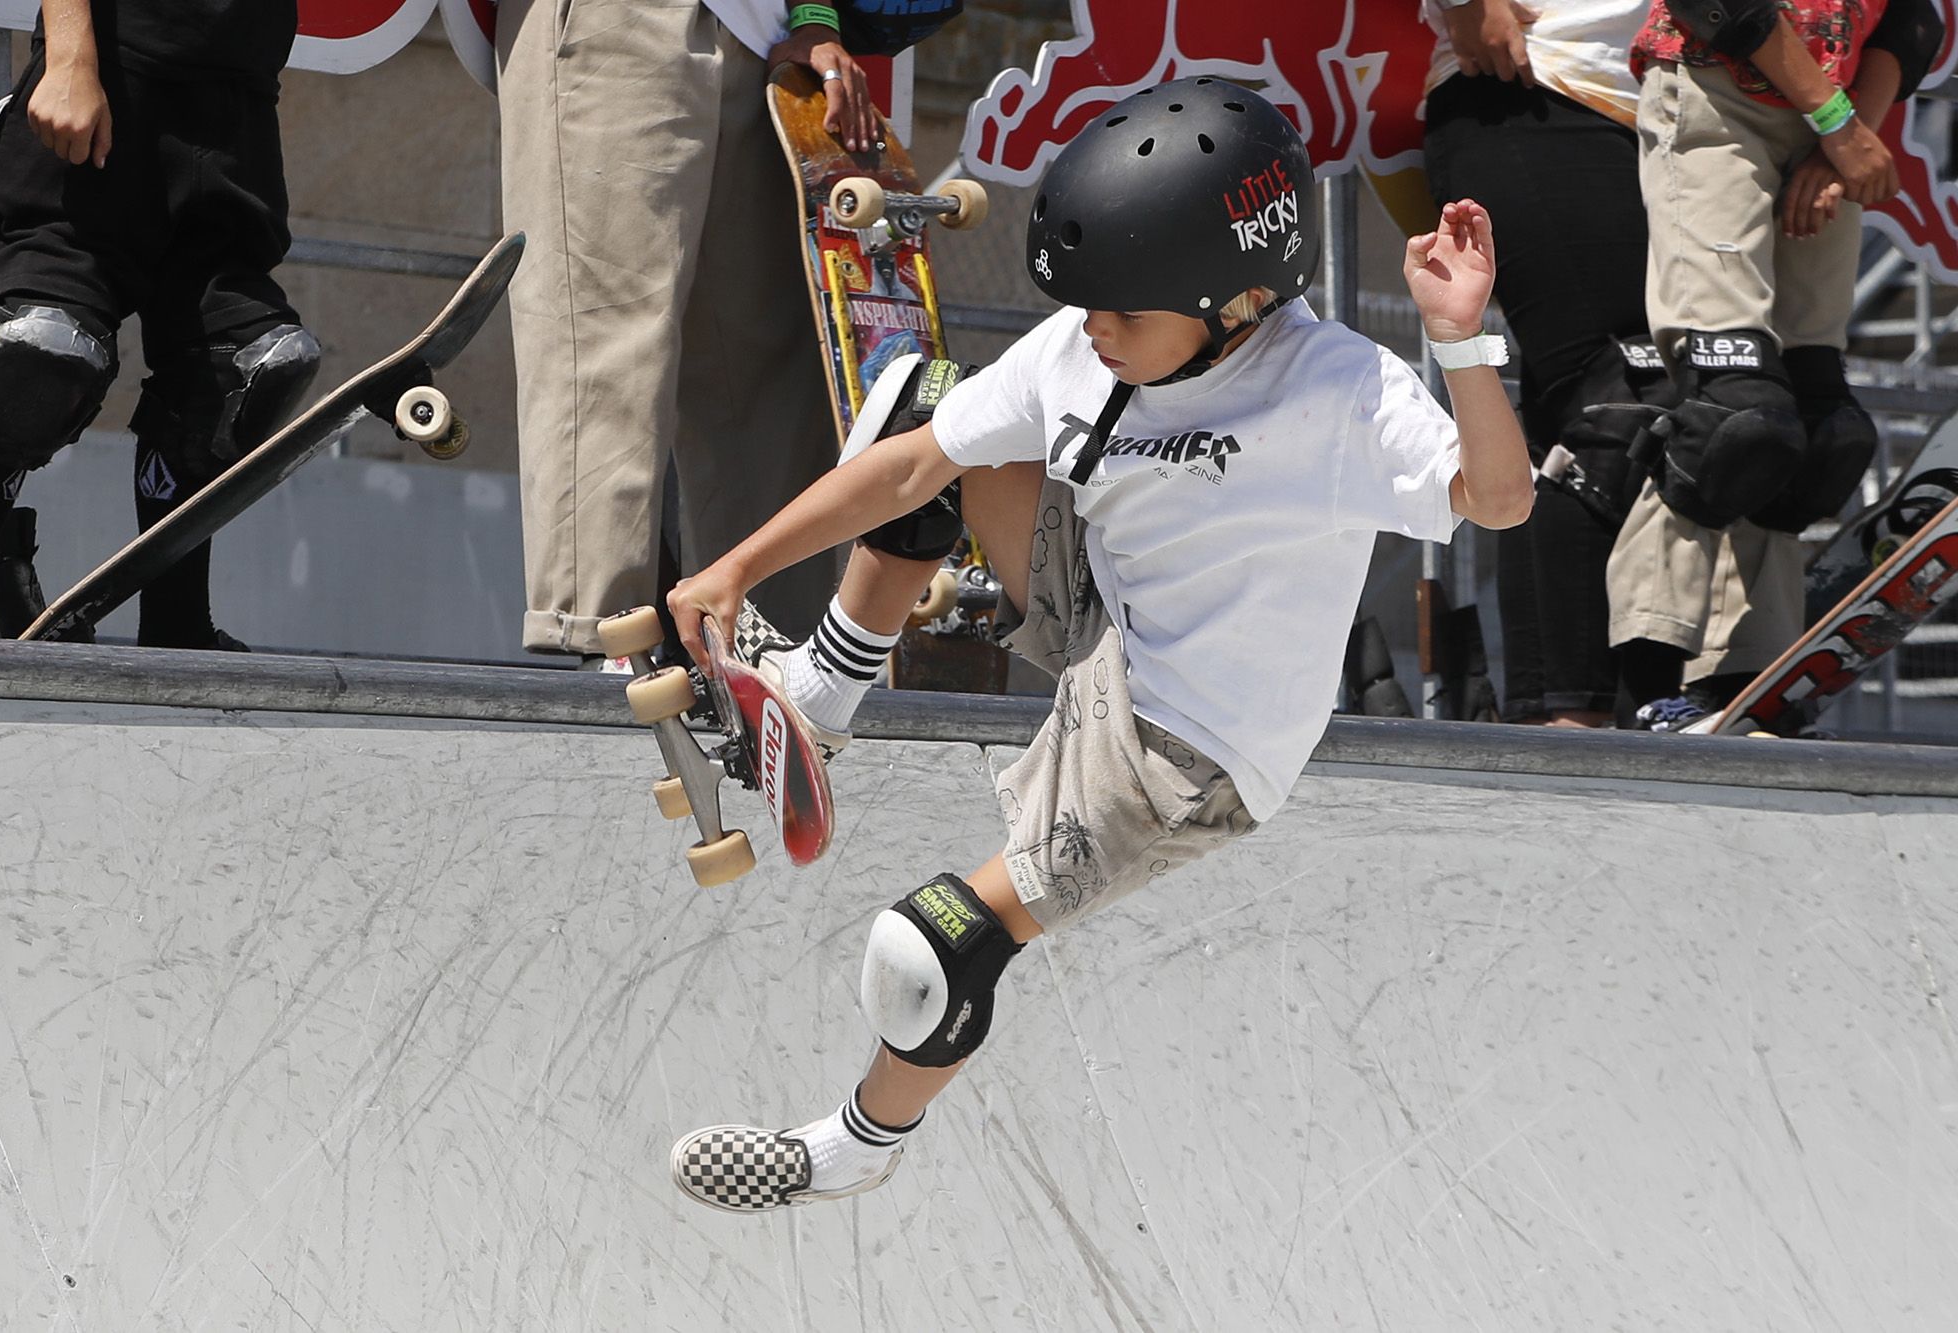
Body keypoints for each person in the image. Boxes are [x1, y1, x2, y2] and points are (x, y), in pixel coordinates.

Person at [654, 79, 1535, 1213]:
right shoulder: (1088, 343)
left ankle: (858, 1145)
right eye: (1087, 308)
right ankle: (818, 699)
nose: (1093, 330)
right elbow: (912, 469)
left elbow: (1498, 502)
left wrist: (1459, 345)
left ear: (1239, 301)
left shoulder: (1340, 392)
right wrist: (733, 566)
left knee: (927, 951)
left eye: (1122, 311)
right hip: (1100, 611)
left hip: (1185, 749)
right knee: (926, 406)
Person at [494, 0, 955, 661]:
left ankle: (768, 674)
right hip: (618, 22)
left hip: (763, 34)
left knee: (774, 376)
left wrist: (815, 15)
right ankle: (599, 662)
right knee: (606, 343)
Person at [1604, 0, 1944, 724]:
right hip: (1715, 88)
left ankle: (1742, 679)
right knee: (1733, 417)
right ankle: (1646, 675)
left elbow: (1914, 23)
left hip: (1832, 117)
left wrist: (1840, 141)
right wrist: (1839, 127)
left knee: (1816, 424)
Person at [0, 0, 321, 646]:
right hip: (111, 81)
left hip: (238, 113)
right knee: (36, 359)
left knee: (235, 370)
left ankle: (178, 627)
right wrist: (70, 51)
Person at [1419, 0, 1671, 727]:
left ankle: (1628, 714)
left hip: (1671, 121)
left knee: (1659, 414)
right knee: (1614, 406)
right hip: (1534, 81)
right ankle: (1565, 724)